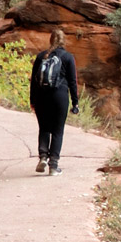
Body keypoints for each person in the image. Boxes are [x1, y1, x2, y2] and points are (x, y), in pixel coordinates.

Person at [29, 30, 78, 174]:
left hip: (41, 97)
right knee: (57, 130)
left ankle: (43, 157)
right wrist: (75, 103)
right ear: (64, 41)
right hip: (59, 97)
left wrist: (32, 100)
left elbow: (33, 81)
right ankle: (53, 165)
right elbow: (73, 82)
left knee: (44, 128)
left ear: (50, 40)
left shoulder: (41, 56)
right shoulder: (68, 57)